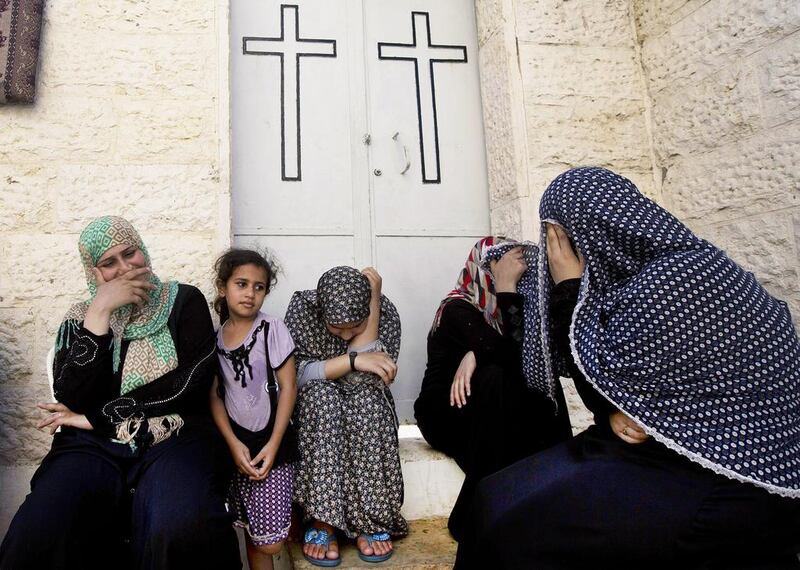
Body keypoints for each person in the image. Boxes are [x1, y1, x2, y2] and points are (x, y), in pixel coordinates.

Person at [476, 167, 800, 568]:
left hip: (732, 484)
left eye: (560, 239)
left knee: (511, 527)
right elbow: (617, 404)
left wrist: (569, 289)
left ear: (591, 233)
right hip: (679, 458)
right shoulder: (678, 268)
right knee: (498, 495)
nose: (554, 253)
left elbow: (600, 390)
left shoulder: (672, 280)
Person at [0, 216, 241, 570]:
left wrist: (97, 416)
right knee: (42, 525)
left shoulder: (183, 300)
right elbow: (72, 398)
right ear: (92, 272)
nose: (125, 268)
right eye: (108, 263)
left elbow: (190, 384)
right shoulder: (79, 319)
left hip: (174, 435)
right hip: (91, 445)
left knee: (180, 523)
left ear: (142, 249)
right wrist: (100, 310)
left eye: (130, 254)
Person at [413, 236, 572, 566]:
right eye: (497, 270)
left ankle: (560, 482)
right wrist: (506, 289)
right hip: (444, 413)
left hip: (484, 408)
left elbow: (526, 359)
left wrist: (477, 354)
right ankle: (472, 513)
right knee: (497, 377)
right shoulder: (457, 308)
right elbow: (508, 358)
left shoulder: (506, 315)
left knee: (539, 377)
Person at [285, 266, 408, 566]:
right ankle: (321, 521)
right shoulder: (303, 310)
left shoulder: (384, 313)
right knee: (321, 396)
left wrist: (374, 303)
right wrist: (353, 359)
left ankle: (371, 518)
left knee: (366, 401)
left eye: (356, 326)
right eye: (337, 328)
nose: (347, 335)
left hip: (363, 399)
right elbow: (297, 377)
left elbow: (369, 381)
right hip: (318, 406)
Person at [210, 248, 298, 570]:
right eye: (241, 284)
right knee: (248, 529)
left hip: (272, 443)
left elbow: (289, 386)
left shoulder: (272, 329)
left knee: (270, 540)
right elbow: (216, 396)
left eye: (258, 287)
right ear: (223, 288)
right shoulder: (216, 339)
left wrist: (274, 444)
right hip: (237, 446)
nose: (250, 293)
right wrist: (233, 445)